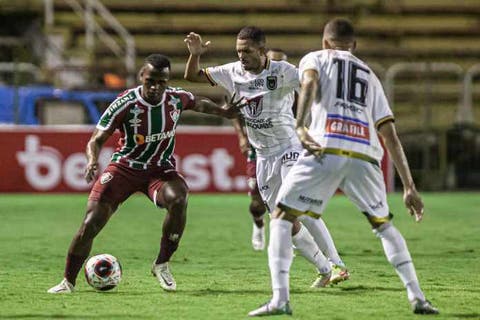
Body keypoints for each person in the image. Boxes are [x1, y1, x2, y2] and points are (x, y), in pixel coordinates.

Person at [248, 18, 439, 316]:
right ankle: (417, 298)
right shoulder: (370, 75)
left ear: (325, 42)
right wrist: (410, 187)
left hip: (326, 146)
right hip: (365, 154)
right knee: (384, 227)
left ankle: (280, 299)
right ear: (354, 46)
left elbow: (309, 83)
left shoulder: (315, 57)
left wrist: (300, 126)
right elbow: (389, 134)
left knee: (282, 218)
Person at [47, 53, 245, 294]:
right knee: (90, 224)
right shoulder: (125, 103)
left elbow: (200, 103)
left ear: (167, 81)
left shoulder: (175, 99)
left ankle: (162, 263)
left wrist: (225, 112)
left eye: (161, 81)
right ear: (142, 77)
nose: (155, 87)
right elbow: (96, 139)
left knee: (179, 197)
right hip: (124, 169)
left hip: (159, 170)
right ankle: (68, 282)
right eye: (150, 80)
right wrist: (91, 160)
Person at [184, 27, 348, 287]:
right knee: (281, 218)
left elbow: (314, 85)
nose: (241, 56)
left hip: (289, 147)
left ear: (261, 50)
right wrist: (195, 54)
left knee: (294, 206)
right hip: (262, 155)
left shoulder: (283, 71)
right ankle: (325, 268)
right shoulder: (231, 72)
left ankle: (338, 263)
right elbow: (191, 76)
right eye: (238, 51)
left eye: (247, 51)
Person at [232, 48, 288, 251]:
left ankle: (291, 236)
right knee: (257, 201)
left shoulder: (292, 89)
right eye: (273, 62)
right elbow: (233, 109)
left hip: (286, 147)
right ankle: (258, 224)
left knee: (291, 193)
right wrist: (241, 135)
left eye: (281, 64)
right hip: (259, 149)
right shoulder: (249, 84)